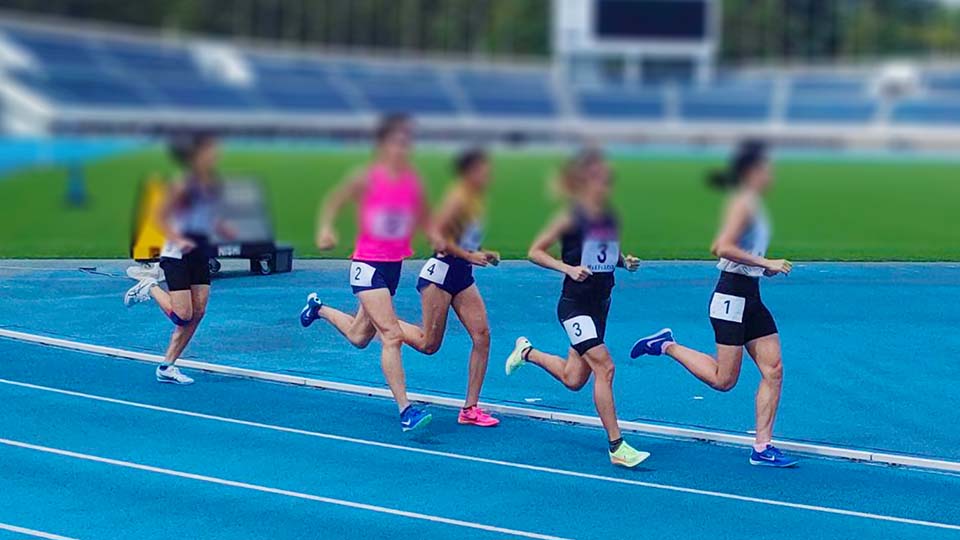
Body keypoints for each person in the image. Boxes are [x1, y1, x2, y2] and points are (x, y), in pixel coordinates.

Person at [629, 140, 797, 468]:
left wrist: (761, 267)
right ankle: (666, 346)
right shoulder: (743, 204)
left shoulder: (755, 205)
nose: (771, 174)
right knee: (724, 380)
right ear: (752, 172)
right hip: (730, 298)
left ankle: (762, 447)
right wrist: (767, 263)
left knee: (773, 370)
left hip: (751, 295)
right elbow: (720, 247)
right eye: (766, 168)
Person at [503, 148, 649, 468]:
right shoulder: (570, 216)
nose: (605, 186)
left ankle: (526, 352)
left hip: (600, 304)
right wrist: (566, 268)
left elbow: (607, 255)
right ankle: (617, 446)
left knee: (573, 379)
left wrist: (626, 262)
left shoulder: (609, 217)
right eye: (598, 179)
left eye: (608, 180)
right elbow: (534, 251)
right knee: (605, 367)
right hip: (575, 305)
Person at [299, 113, 439, 432]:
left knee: (359, 336)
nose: (403, 149)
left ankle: (317, 309)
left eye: (407, 143)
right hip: (367, 265)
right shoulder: (367, 178)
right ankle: (406, 411)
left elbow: (425, 217)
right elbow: (334, 202)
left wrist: (437, 238)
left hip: (393, 266)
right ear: (383, 145)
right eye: (398, 142)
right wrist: (325, 229)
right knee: (390, 335)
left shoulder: (411, 182)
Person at [398, 148, 500, 427]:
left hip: (462, 276)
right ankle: (385, 323)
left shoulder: (475, 200)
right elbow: (437, 238)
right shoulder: (457, 197)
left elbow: (463, 238)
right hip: (440, 276)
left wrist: (481, 251)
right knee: (429, 345)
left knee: (482, 336)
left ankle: (470, 409)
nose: (488, 173)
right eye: (483, 168)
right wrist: (470, 256)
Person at [124, 132, 231, 385]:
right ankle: (149, 287)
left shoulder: (213, 182)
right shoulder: (183, 183)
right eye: (210, 150)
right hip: (177, 251)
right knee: (183, 315)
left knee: (199, 310)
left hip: (200, 250)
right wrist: (179, 238)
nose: (216, 154)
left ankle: (167, 366)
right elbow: (160, 217)